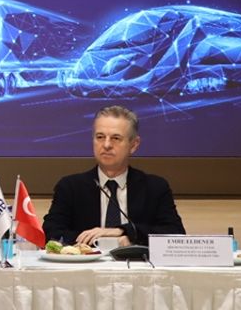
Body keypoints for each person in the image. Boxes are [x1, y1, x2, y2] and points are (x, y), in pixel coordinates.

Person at [42, 105, 185, 246]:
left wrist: (124, 232)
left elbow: (175, 234)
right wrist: (99, 242)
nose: (106, 145)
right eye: (100, 137)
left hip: (136, 261)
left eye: (116, 138)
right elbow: (51, 233)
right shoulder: (70, 187)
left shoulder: (155, 188)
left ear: (134, 145)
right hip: (87, 260)